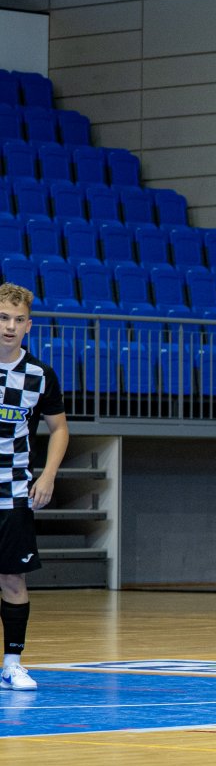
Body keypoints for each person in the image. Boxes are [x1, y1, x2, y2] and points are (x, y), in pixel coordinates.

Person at [0, 284, 65, 693]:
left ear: (29, 324)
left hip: (13, 493)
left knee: (13, 581)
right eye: (3, 317)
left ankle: (12, 664)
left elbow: (59, 429)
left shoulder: (39, 374)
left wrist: (48, 475)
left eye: (17, 319)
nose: (10, 326)